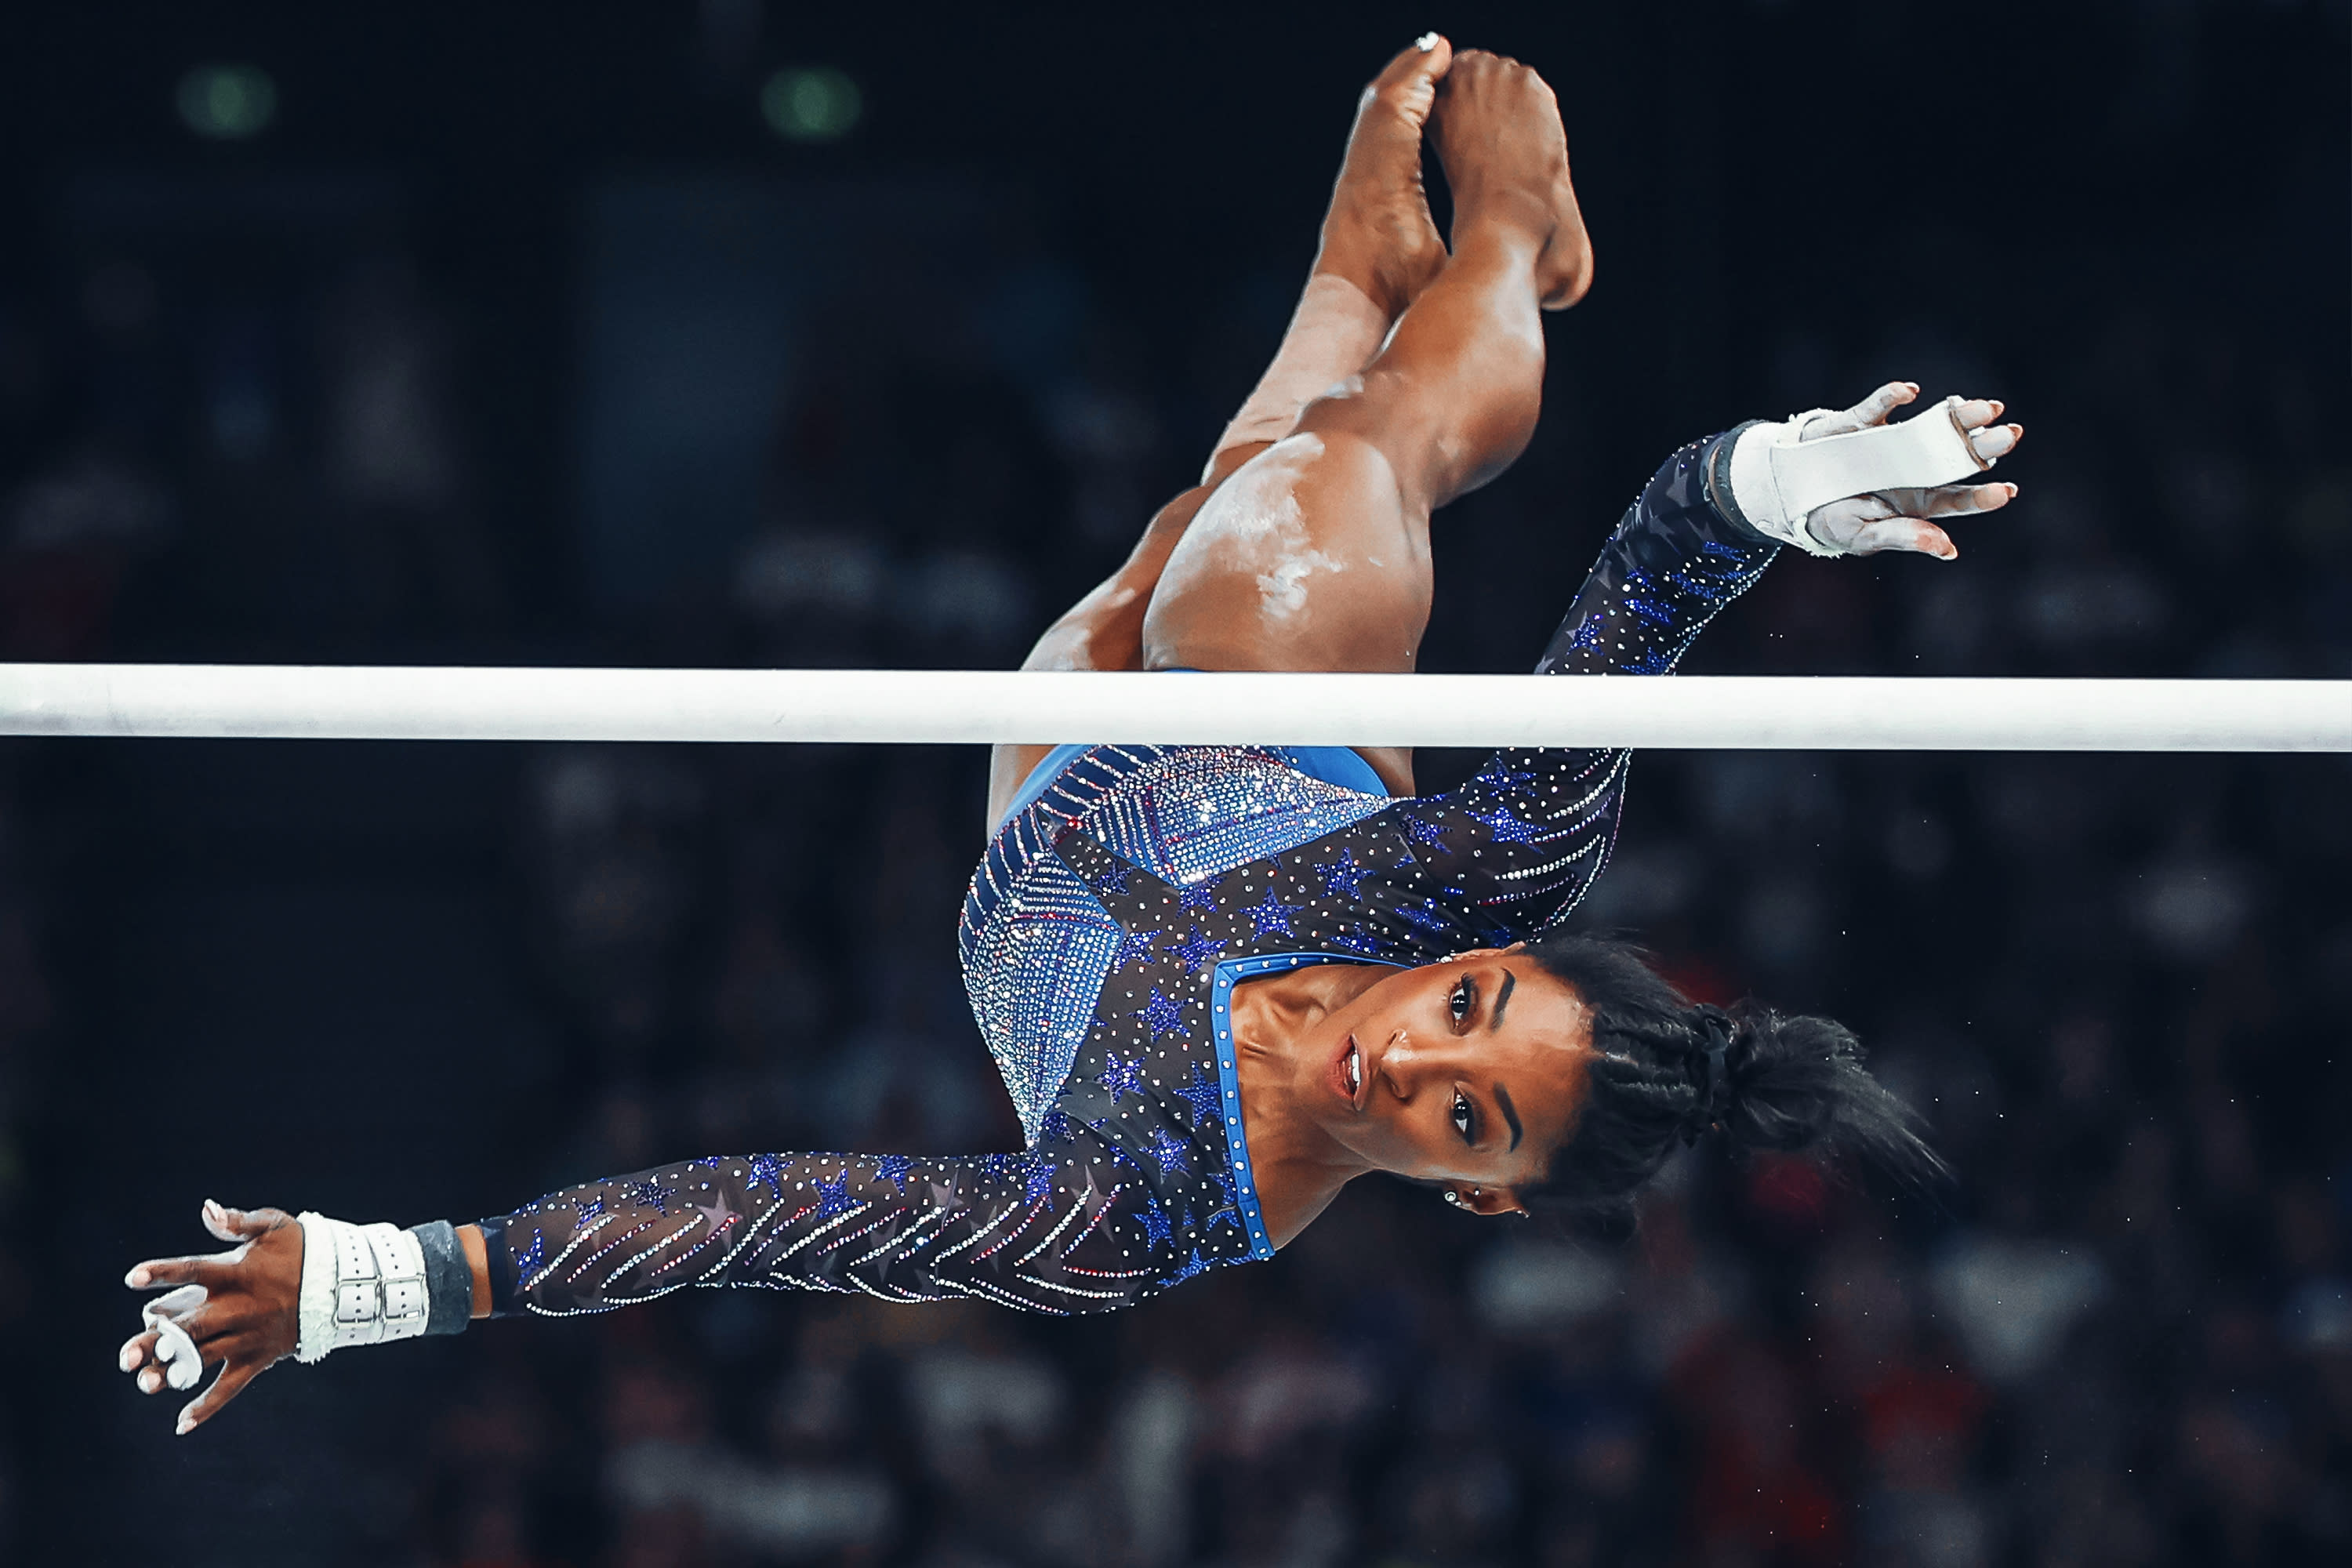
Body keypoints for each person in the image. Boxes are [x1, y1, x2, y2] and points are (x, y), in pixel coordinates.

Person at [118, 40, 2023, 1434]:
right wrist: (1789, 480)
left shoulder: (1148, 1204)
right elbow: (1663, 561)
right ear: (1481, 958)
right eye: (1462, 1014)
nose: (1404, 1052)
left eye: (1466, 1112)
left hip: (1051, 800)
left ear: (1476, 1191)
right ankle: (1515, 249)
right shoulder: (1485, 865)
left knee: (1194, 521)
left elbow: (789, 1215)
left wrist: (395, 1278)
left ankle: (1356, 270)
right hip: (1283, 717)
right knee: (1328, 487)